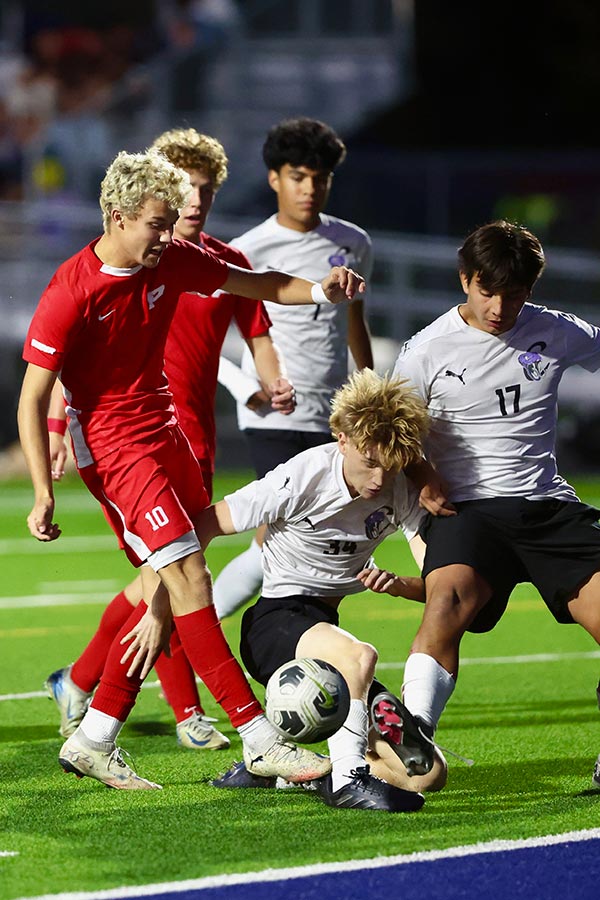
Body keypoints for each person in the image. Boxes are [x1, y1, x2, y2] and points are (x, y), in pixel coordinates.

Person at [18, 147, 364, 790]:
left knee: (166, 592)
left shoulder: (170, 256)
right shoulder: (70, 289)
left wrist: (321, 288)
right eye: (157, 221)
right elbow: (33, 395)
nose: (169, 231)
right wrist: (43, 490)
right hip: (118, 450)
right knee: (188, 577)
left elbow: (257, 285)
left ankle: (94, 735)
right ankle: (258, 738)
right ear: (118, 216)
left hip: (167, 430)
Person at [43, 127, 295, 753]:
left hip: (189, 440)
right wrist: (55, 430)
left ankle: (83, 692)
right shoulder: (115, 266)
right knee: (175, 578)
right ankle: (199, 718)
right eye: (183, 191)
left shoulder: (208, 261)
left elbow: (257, 318)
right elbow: (68, 362)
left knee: (166, 584)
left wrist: (269, 383)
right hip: (127, 448)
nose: (194, 202)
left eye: (204, 190)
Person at [375, 219, 600, 787]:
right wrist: (423, 471)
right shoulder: (424, 350)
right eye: (486, 289)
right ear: (464, 279)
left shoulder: (559, 331)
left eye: (514, 293)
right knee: (447, 603)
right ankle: (414, 735)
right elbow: (394, 433)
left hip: (547, 507)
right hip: (468, 512)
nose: (499, 306)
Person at [197, 369, 447, 812]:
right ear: (342, 439)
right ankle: (348, 783)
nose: (377, 479)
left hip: (324, 630)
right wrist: (170, 596)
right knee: (359, 655)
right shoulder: (303, 475)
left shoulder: (400, 490)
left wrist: (399, 584)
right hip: (274, 625)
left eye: (388, 467)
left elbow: (438, 583)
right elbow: (207, 523)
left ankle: (297, 775)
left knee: (428, 772)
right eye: (369, 463)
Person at [212, 116, 374, 620]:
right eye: (298, 176)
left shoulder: (354, 242)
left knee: (308, 546)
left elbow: (355, 321)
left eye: (320, 178)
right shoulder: (247, 250)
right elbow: (208, 339)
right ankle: (183, 641)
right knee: (277, 541)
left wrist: (369, 392)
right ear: (274, 179)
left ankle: (191, 640)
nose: (310, 189)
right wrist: (249, 386)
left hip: (335, 417)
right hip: (276, 415)